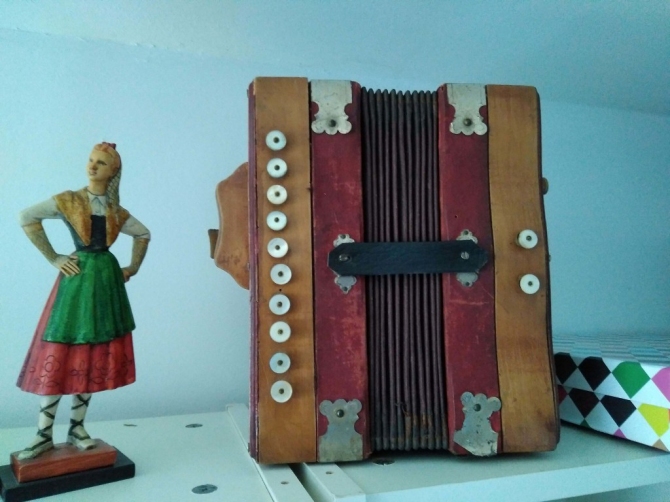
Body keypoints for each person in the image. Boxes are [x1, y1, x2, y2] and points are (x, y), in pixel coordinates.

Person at [15, 142, 150, 460]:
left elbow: (143, 234)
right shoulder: (69, 200)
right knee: (59, 348)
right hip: (76, 283)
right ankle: (43, 433)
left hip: (104, 282)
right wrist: (54, 257)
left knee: (91, 352)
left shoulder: (115, 210)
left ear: (113, 171)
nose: (92, 166)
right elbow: (26, 216)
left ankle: (77, 428)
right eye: (91, 160)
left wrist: (132, 268)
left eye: (100, 163)